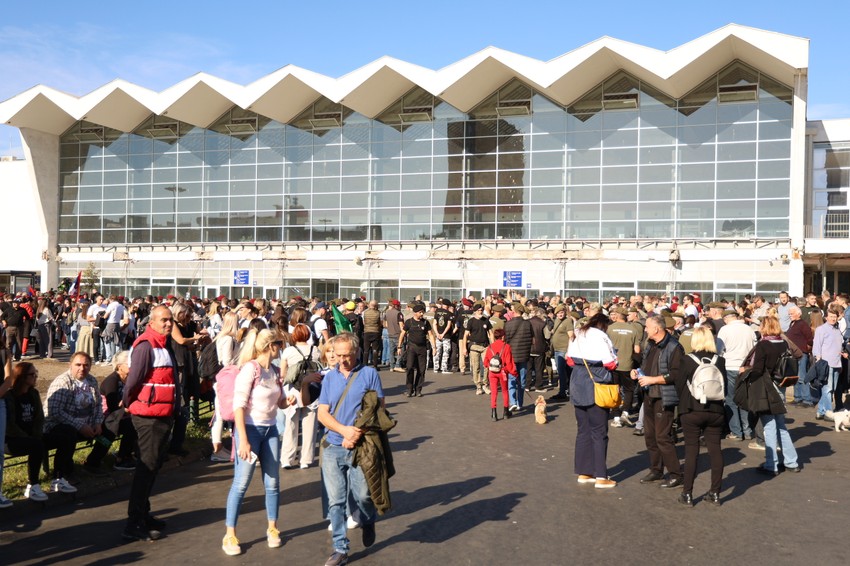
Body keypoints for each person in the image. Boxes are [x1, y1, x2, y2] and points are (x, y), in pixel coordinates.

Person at [222, 327, 293, 556]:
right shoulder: (250, 370)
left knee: (272, 483)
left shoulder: (273, 371)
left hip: (270, 429)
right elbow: (239, 407)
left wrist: (287, 401)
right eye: (279, 345)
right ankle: (230, 534)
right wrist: (242, 440)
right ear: (270, 346)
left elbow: (278, 402)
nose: (281, 349)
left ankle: (273, 528)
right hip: (250, 431)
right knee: (241, 484)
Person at [318, 332, 384, 566]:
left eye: (347, 355)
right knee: (336, 502)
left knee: (364, 495)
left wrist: (355, 434)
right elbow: (322, 413)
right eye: (339, 355)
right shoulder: (329, 378)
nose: (343, 360)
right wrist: (343, 431)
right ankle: (340, 548)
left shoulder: (369, 374)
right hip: (333, 447)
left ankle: (367, 518)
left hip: (361, 448)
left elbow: (378, 410)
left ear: (356, 351)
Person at [122, 305, 180, 542]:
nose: (168, 324)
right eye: (164, 320)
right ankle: (133, 522)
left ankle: (143, 514)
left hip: (162, 414)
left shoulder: (163, 344)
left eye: (170, 320)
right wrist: (127, 402)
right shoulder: (146, 345)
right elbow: (133, 380)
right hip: (149, 417)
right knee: (145, 469)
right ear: (152, 322)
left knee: (153, 467)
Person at [673, 326, 726, 506]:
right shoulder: (720, 360)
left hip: (692, 408)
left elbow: (679, 385)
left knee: (691, 451)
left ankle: (687, 493)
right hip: (716, 409)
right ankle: (715, 492)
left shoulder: (687, 360)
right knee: (715, 450)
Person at [632, 314, 685, 489]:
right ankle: (656, 469)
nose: (645, 330)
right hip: (648, 394)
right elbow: (646, 365)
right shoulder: (650, 344)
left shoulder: (674, 346)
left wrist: (652, 380)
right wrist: (637, 372)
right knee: (650, 435)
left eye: (647, 327)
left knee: (663, 437)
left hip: (663, 395)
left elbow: (676, 374)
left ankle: (676, 474)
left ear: (656, 328)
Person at [566, 312, 618, 488]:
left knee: (583, 430)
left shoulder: (578, 333)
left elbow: (569, 360)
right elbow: (611, 363)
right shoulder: (602, 336)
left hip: (577, 381)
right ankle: (601, 476)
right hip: (596, 382)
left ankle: (584, 471)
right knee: (599, 431)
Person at [748, 316, 801, 475]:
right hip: (781, 385)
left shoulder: (763, 345)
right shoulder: (783, 343)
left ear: (765, 327)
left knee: (769, 426)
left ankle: (772, 464)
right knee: (780, 425)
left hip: (767, 386)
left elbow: (757, 369)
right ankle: (791, 461)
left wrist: (747, 375)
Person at [43, 352, 102, 488]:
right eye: (78, 365)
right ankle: (62, 473)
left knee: (110, 428)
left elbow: (98, 404)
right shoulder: (63, 382)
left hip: (88, 423)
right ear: (70, 365)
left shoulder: (92, 381)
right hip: (58, 424)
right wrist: (79, 425)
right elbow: (53, 411)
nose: (82, 368)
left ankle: (93, 462)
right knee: (68, 434)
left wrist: (98, 422)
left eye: (86, 365)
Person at [5, 362, 49, 501]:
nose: (35, 377)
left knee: (63, 436)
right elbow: (9, 425)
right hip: (12, 439)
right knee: (36, 445)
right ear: (22, 377)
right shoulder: (10, 396)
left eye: (36, 373)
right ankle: (33, 485)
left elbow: (39, 418)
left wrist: (36, 435)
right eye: (32, 374)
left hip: (32, 436)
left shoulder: (33, 393)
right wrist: (28, 437)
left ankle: (60, 477)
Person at [280, 323, 319, 469]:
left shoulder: (288, 351)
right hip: (311, 390)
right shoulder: (316, 350)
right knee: (310, 425)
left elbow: (283, 374)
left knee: (291, 425)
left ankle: (287, 459)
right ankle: (306, 459)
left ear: (294, 335)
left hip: (293, 391)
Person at [100, 350, 139, 471]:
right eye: (129, 364)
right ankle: (121, 459)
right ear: (119, 366)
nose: (133, 366)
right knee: (131, 425)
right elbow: (113, 408)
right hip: (108, 418)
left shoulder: (129, 379)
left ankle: (132, 453)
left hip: (122, 415)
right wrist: (127, 407)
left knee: (141, 421)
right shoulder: (112, 381)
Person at [211, 310, 239, 462]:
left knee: (220, 413)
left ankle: (218, 448)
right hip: (227, 378)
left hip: (222, 378)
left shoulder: (221, 337)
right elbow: (227, 361)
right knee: (222, 413)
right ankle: (218, 449)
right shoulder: (228, 339)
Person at [813, 307, 846, 420]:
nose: (833, 319)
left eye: (834, 317)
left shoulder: (837, 331)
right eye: (831, 316)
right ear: (826, 317)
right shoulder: (821, 329)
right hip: (826, 363)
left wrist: (841, 360)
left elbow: (839, 347)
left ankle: (821, 411)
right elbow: (817, 346)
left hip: (837, 363)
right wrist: (818, 359)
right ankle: (828, 412)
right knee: (827, 388)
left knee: (832, 388)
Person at [397, 303, 435, 397]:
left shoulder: (425, 322)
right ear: (415, 313)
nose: (422, 314)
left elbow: (430, 335)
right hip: (412, 348)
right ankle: (409, 389)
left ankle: (418, 390)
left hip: (422, 348)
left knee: (421, 370)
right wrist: (399, 346)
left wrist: (434, 347)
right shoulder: (409, 322)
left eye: (422, 312)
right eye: (420, 312)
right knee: (409, 368)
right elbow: (402, 334)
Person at [483, 328, 516, 421]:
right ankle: (506, 412)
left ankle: (494, 413)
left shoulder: (490, 347)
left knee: (494, 392)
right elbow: (509, 363)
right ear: (503, 336)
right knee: (505, 391)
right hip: (503, 372)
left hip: (492, 372)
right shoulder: (506, 346)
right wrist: (514, 373)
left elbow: (485, 362)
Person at [464, 303, 493, 395]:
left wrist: (492, 345)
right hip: (474, 346)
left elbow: (491, 333)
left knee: (486, 366)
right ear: (475, 311)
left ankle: (485, 384)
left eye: (481, 310)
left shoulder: (486, 320)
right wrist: (464, 348)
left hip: (485, 346)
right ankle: (478, 386)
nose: (480, 312)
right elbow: (466, 335)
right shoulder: (471, 321)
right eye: (479, 310)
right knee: (475, 367)